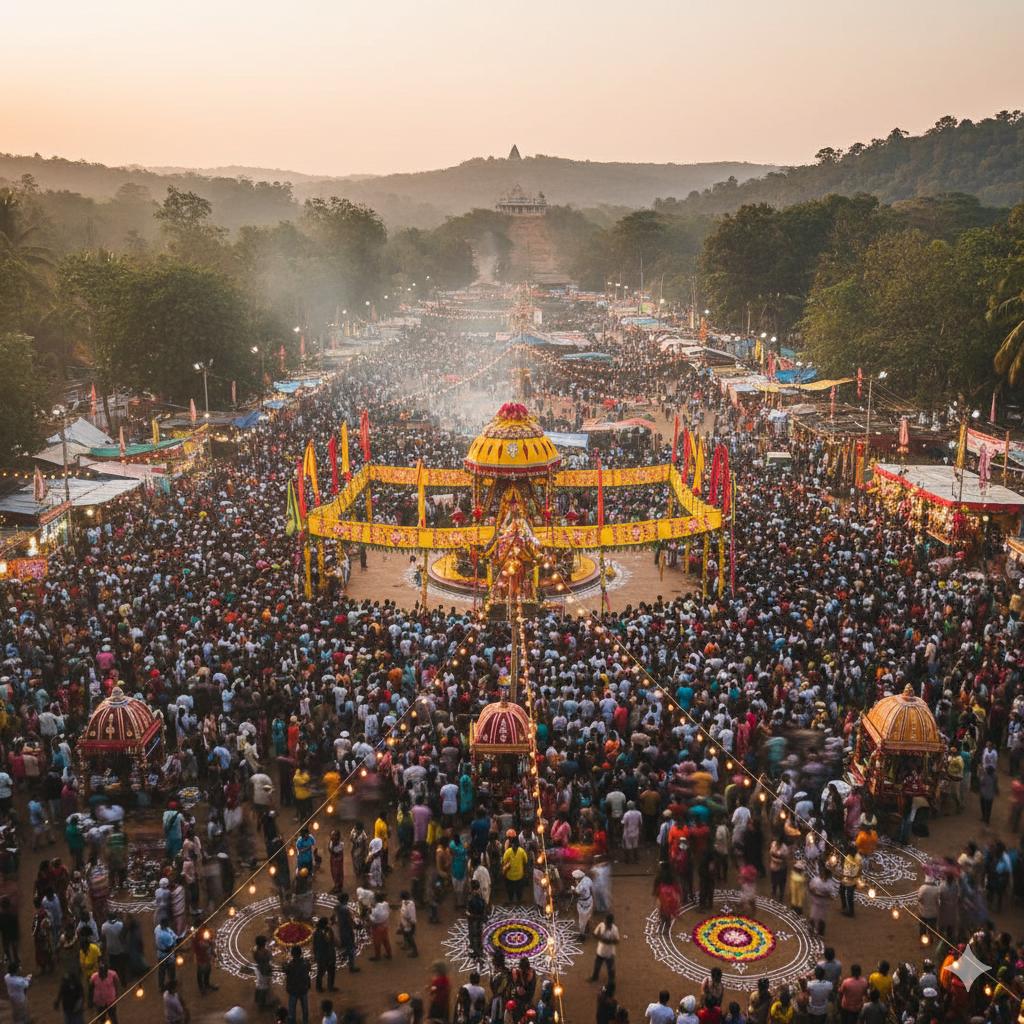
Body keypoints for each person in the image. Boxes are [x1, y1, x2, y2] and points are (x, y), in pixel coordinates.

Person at [285, 945, 312, 1024]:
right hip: (303, 988)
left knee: (292, 1009)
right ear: (301, 953)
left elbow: (286, 971)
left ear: (292, 954)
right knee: (305, 1008)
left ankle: (292, 1022)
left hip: (293, 989)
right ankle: (305, 1021)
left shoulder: (290, 965)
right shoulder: (306, 963)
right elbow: (309, 969)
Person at [590, 914, 619, 983]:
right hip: (600, 951)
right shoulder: (601, 925)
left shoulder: (615, 929)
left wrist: (608, 941)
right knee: (597, 966)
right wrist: (602, 939)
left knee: (610, 968)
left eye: (607, 923)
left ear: (611, 923)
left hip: (610, 953)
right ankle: (594, 977)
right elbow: (595, 934)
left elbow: (617, 941)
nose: (606, 924)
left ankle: (611, 981)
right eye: (605, 922)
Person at [501, 837, 528, 904]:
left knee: (519, 892)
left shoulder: (522, 852)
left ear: (518, 845)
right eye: (513, 845)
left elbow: (525, 862)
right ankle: (511, 901)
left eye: (515, 845)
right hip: (510, 877)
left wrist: (525, 873)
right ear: (511, 844)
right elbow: (504, 863)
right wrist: (505, 869)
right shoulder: (508, 852)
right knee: (510, 892)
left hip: (519, 877)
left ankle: (518, 901)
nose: (514, 846)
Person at [313, 918, 337, 992]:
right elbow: (331, 943)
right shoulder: (327, 931)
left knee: (320, 972)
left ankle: (318, 987)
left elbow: (315, 946)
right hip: (328, 955)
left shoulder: (316, 932)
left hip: (320, 955)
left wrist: (315, 955)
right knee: (331, 971)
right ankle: (330, 987)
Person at [253, 935, 274, 1009]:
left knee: (260, 985)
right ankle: (262, 1004)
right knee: (264, 987)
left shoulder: (255, 949)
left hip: (259, 968)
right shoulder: (265, 952)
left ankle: (259, 1001)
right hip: (265, 970)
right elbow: (270, 957)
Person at [369, 893, 392, 960]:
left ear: (376, 900)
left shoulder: (376, 910)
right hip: (385, 926)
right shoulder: (386, 904)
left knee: (377, 942)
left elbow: (373, 919)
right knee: (386, 940)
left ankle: (377, 956)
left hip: (377, 927)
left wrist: (369, 914)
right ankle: (389, 954)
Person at [572, 868, 594, 940]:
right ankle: (587, 927)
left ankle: (582, 936)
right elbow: (591, 889)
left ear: (578, 878)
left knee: (581, 921)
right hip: (590, 900)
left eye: (575, 878)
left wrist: (573, 890)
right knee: (587, 916)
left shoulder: (580, 886)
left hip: (583, 903)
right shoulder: (588, 879)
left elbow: (576, 894)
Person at [398, 891, 418, 957]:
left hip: (409, 924)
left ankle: (415, 951)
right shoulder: (404, 902)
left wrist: (409, 925)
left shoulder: (410, 905)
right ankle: (406, 945)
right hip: (404, 923)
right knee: (405, 935)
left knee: (410, 937)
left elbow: (411, 918)